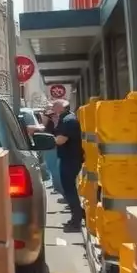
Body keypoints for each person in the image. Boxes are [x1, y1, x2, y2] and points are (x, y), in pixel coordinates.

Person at [52, 98, 85, 231]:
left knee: (69, 189)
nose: (52, 109)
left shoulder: (68, 120)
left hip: (70, 159)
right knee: (68, 188)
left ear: (62, 107)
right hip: (69, 158)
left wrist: (49, 140)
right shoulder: (65, 119)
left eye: (55, 106)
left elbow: (61, 140)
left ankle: (76, 219)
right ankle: (78, 214)